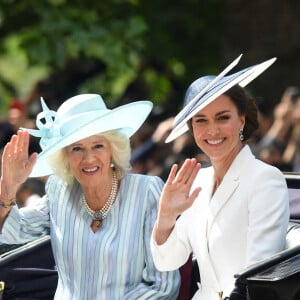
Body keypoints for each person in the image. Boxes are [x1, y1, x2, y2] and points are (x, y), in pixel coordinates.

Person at [0, 94, 180, 299]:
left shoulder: (147, 191)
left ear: (113, 149)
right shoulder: (59, 191)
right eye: (77, 148)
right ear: (65, 157)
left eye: (98, 146)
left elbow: (163, 286)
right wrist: (9, 187)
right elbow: (12, 234)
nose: (88, 158)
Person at [150, 55, 290, 300]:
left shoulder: (265, 179)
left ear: (241, 120)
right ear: (192, 128)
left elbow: (257, 277)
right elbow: (167, 261)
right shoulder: (198, 181)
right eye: (201, 120)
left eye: (223, 117)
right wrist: (166, 217)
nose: (212, 130)